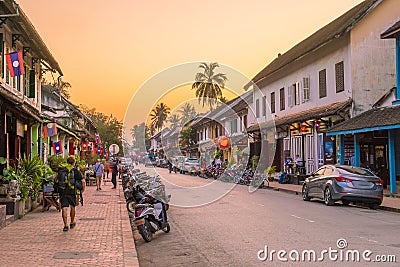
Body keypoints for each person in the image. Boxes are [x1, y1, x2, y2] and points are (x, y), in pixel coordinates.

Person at [58, 155, 85, 232]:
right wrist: (82, 190)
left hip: (62, 190)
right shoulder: (75, 170)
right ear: (74, 162)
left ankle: (65, 225)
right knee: (72, 206)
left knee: (64, 207)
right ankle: (72, 222)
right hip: (71, 191)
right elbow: (83, 181)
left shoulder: (62, 169)